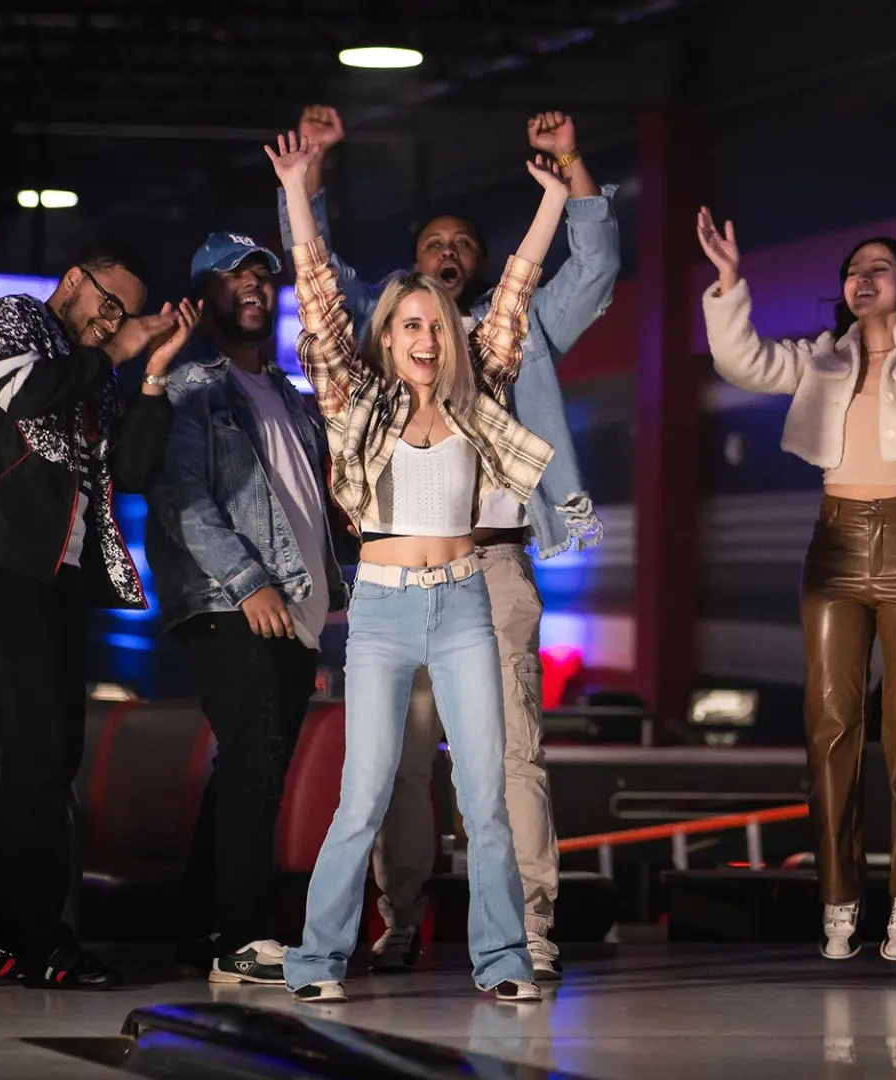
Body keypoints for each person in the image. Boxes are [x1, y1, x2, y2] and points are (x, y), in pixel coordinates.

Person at [280, 106, 619, 978]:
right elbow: (318, 289)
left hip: (475, 588)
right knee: (368, 793)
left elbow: (518, 290)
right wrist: (295, 187)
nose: (428, 337)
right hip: (386, 609)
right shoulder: (358, 399)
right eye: (410, 324)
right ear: (386, 334)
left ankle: (510, 950)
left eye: (438, 325)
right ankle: (330, 953)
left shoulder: (482, 383)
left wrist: (552, 198)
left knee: (492, 787)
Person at [697, 210, 896, 962]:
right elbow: (743, 362)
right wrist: (727, 282)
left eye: (878, 268)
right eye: (853, 269)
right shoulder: (822, 358)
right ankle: (839, 897)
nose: (861, 278)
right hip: (835, 541)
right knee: (830, 723)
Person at [0, 240, 199, 989]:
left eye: (125, 312)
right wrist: (116, 349)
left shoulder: (100, 370)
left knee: (49, 761)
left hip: (61, 574)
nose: (114, 320)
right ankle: (35, 943)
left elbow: (136, 471)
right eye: (107, 303)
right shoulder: (10, 320)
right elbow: (24, 393)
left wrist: (151, 373)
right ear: (72, 281)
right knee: (42, 753)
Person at [145, 232, 348, 986]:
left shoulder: (291, 398)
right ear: (203, 300)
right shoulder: (194, 385)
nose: (252, 287)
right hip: (233, 603)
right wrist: (247, 582)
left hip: (291, 608)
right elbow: (182, 502)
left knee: (246, 768)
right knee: (257, 768)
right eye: (232, 278)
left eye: (261, 275)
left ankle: (202, 930)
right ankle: (243, 939)